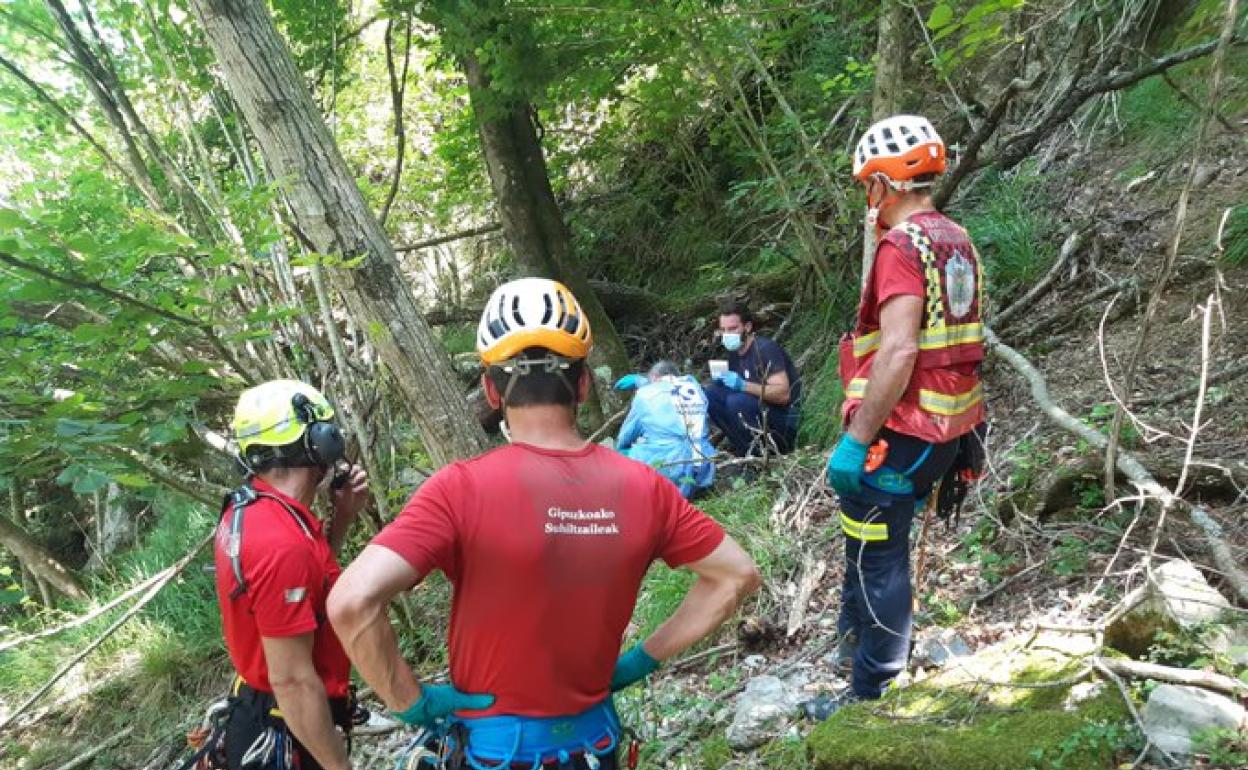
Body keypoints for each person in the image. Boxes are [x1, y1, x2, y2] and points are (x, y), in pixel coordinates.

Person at [327, 278, 760, 770]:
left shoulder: (459, 489)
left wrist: (411, 703)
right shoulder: (646, 487)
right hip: (595, 746)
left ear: (491, 391)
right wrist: (639, 661)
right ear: (583, 384)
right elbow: (736, 574)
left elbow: (351, 603)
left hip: (496, 753)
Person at [815, 115, 987, 718]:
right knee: (875, 546)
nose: (867, 200)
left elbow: (898, 350)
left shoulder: (901, 246)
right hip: (948, 428)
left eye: (867, 186)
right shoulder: (956, 238)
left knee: (877, 555)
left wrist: (857, 439)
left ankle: (873, 692)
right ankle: (857, 648)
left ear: (882, 184)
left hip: (903, 430)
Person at [213, 379, 370, 770]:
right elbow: (293, 682)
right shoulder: (281, 543)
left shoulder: (260, 510)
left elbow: (309, 584)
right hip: (289, 727)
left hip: (270, 714)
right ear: (319, 442)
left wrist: (343, 517)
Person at [705, 299, 802, 456]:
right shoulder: (735, 353)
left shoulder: (765, 349)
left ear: (747, 327)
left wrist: (743, 385)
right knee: (711, 395)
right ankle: (744, 449)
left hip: (783, 421)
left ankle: (763, 453)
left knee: (737, 401)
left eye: (733, 328)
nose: (727, 334)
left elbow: (783, 395)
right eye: (723, 330)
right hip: (756, 414)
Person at [613, 360, 717, 498]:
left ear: (654, 378)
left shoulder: (644, 395)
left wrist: (622, 450)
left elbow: (624, 438)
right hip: (704, 465)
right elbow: (667, 390)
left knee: (622, 455)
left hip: (670, 466)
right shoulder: (694, 387)